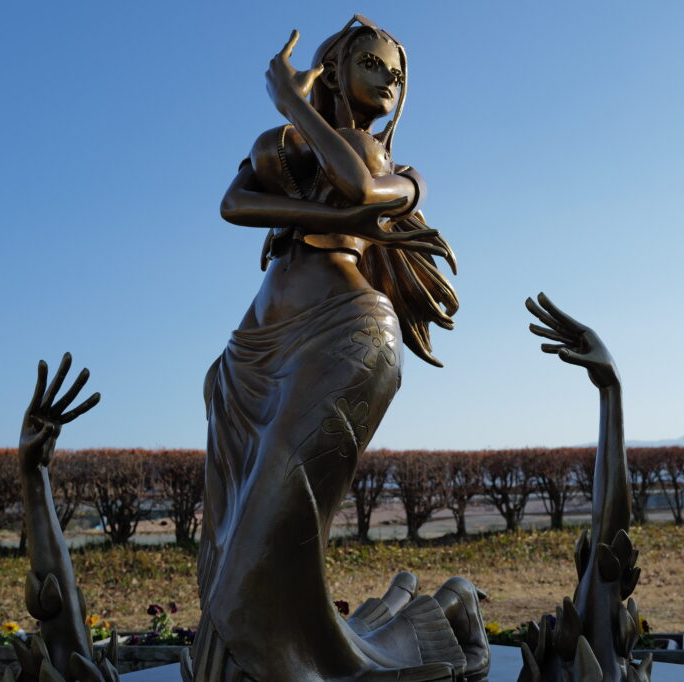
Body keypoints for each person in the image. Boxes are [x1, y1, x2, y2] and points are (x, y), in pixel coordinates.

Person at [189, 16, 489, 682]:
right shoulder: (289, 147)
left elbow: (361, 187)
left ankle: (298, 669)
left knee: (267, 536)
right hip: (254, 352)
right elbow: (234, 204)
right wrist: (328, 220)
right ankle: (436, 617)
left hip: (346, 335)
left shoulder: (400, 171)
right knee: (237, 535)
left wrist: (292, 99)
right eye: (375, 64)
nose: (391, 80)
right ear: (338, 65)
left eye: (399, 75)